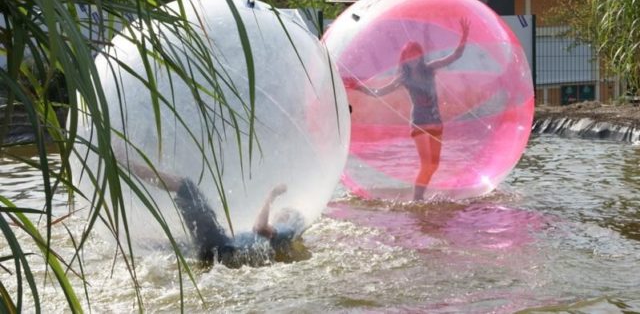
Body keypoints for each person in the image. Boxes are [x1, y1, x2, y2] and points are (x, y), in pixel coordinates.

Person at [115, 149, 307, 267]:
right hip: (216, 252)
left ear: (288, 218)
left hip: (218, 246)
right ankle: (131, 241)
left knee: (186, 187)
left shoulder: (284, 230)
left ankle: (125, 162)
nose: (281, 212)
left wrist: (271, 195)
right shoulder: (274, 241)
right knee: (174, 246)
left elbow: (260, 227)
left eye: (285, 212)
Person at [346, 18, 470, 201]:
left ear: (420, 56)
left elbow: (454, 56)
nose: (413, 59)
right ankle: (417, 199)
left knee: (433, 165)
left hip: (436, 122)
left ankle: (418, 198)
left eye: (416, 55)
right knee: (426, 164)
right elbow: (379, 92)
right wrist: (358, 87)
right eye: (409, 56)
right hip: (419, 124)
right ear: (405, 58)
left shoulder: (430, 69)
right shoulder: (403, 78)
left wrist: (464, 36)